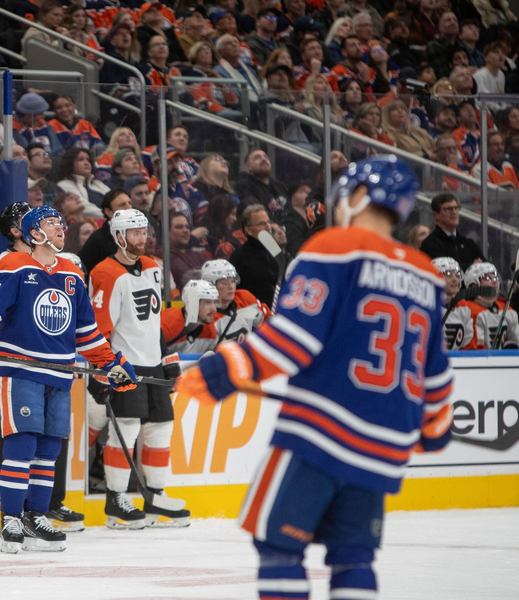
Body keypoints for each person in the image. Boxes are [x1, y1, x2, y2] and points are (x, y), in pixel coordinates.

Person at [176, 155, 453, 600]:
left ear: (361, 197)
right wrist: (436, 426)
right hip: (384, 444)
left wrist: (224, 368)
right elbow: (435, 370)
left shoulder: (334, 247)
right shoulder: (424, 272)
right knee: (354, 558)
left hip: (319, 436)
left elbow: (293, 338)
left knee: (279, 547)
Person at [0, 206, 137, 553]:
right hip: (21, 371)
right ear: (33, 232)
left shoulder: (70, 272)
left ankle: (36, 515)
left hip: (60, 374)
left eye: (60, 223)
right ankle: (11, 517)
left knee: (49, 448)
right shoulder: (13, 265)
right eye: (51, 224)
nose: (60, 229)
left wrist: (112, 363)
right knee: (21, 443)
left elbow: (86, 333)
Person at [89, 208, 189, 528]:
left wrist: (168, 359)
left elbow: (153, 322)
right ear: (119, 237)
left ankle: (154, 497)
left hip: (153, 363)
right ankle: (116, 500)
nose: (142, 239)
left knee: (161, 427)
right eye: (135, 234)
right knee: (127, 429)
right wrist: (103, 370)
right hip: (124, 365)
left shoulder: (152, 267)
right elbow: (99, 328)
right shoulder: (105, 272)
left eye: (144, 232)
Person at [202, 259, 268, 344]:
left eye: (233, 281)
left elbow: (268, 322)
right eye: (225, 282)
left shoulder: (245, 299)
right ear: (211, 286)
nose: (231, 286)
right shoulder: (205, 317)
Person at [228, 205, 279, 308]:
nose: (269, 227)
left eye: (268, 222)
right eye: (262, 224)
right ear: (248, 230)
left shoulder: (275, 252)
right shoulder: (238, 257)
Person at [460, 262, 519, 349]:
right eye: (487, 278)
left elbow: (516, 341)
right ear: (474, 285)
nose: (494, 281)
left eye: (495, 277)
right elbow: (475, 349)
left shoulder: (507, 310)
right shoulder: (467, 311)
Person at [420, 193, 484, 272]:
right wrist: (473, 267)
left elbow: (486, 265)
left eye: (456, 208)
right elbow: (444, 270)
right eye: (448, 209)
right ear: (436, 215)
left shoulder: (468, 243)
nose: (454, 212)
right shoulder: (430, 244)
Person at [78, 189, 132, 273]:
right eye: (122, 205)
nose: (129, 208)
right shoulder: (97, 239)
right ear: (109, 212)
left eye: (129, 203)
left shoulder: (137, 233)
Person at [161, 279, 219, 354]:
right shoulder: (165, 325)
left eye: (214, 302)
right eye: (208, 303)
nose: (214, 309)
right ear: (192, 303)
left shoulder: (211, 332)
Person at [431, 256, 473, 350]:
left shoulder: (464, 308)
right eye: (448, 274)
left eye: (457, 275)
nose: (455, 279)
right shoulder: (427, 307)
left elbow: (468, 346)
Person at [235, 149, 289, 216]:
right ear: (248, 167)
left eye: (265, 157)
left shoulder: (279, 185)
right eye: (257, 158)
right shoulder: (243, 186)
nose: (263, 159)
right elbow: (254, 214)